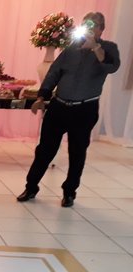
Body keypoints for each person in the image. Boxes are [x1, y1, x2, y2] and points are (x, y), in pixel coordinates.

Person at [17, 12, 120, 208]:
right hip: (59, 107)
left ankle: (69, 192)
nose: (90, 28)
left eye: (94, 25)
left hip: (85, 109)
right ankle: (31, 187)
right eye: (86, 24)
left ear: (101, 29)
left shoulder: (109, 48)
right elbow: (54, 72)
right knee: (45, 150)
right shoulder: (70, 49)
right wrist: (41, 97)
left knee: (77, 151)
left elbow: (111, 67)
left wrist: (95, 47)